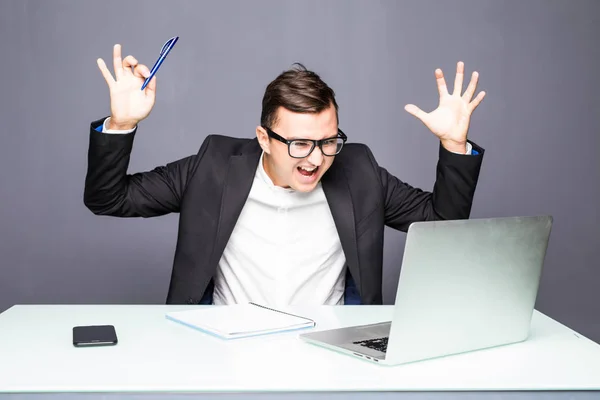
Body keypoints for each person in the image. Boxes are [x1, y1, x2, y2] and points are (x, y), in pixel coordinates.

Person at [85, 44, 486, 307]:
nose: (315, 158)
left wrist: (454, 144)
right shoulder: (212, 166)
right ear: (264, 137)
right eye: (299, 144)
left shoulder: (359, 171)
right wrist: (121, 125)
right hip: (222, 357)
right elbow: (109, 198)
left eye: (328, 141)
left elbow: (442, 224)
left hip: (331, 359)